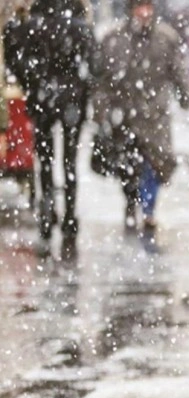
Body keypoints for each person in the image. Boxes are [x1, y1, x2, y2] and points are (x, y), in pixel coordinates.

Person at [93, 0, 189, 253]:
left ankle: (148, 210)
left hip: (154, 115)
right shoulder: (114, 39)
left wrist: (184, 94)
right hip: (124, 115)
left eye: (148, 7)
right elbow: (103, 79)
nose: (144, 13)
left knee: (155, 164)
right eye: (139, 7)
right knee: (128, 165)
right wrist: (101, 110)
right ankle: (130, 202)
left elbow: (177, 69)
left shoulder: (165, 38)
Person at [3, 0, 96, 262]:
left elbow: (14, 57)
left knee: (45, 159)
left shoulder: (32, 25)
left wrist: (33, 85)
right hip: (71, 102)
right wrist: (80, 90)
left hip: (43, 100)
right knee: (69, 162)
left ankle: (47, 211)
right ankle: (69, 216)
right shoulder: (79, 26)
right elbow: (93, 64)